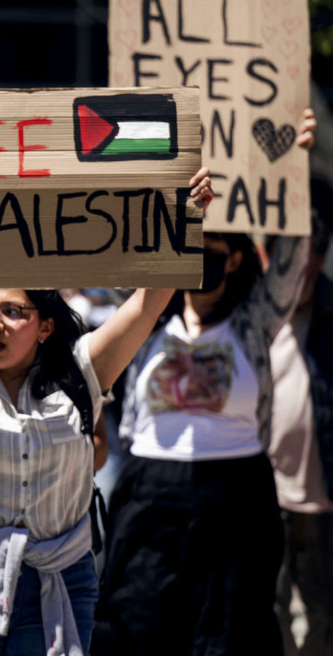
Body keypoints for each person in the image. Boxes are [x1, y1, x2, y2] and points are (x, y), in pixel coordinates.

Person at [0, 166, 212, 656]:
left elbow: (148, 305)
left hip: (61, 579)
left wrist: (186, 219)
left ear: (46, 326)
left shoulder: (83, 369)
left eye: (13, 311)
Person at [94, 109, 317, 656]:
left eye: (210, 252)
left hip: (236, 500)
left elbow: (294, 257)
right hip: (149, 496)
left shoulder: (256, 321)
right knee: (139, 624)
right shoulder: (147, 324)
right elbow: (116, 250)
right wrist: (180, 211)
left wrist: (298, 168)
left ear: (236, 258)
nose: (198, 262)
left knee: (228, 634)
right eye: (189, 250)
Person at [269, 175, 333, 656]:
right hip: (259, 495)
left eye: (309, 252)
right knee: (265, 605)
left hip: (320, 502)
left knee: (322, 609)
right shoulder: (251, 313)